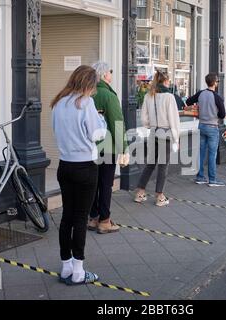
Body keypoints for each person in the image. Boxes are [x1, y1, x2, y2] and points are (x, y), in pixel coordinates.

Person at [51, 65, 107, 285]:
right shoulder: (86, 103)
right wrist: (101, 121)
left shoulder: (58, 103)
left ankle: (66, 267)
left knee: (67, 217)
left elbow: (56, 131)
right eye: (94, 86)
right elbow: (97, 134)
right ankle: (79, 271)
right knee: (81, 219)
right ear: (89, 84)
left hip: (64, 165)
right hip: (85, 167)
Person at [87, 62, 129, 234]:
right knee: (105, 185)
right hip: (107, 147)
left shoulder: (87, 94)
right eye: (110, 72)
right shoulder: (108, 96)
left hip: (90, 147)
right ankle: (105, 220)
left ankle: (93, 218)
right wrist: (123, 149)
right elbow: (117, 124)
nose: (111, 74)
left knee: (93, 184)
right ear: (104, 75)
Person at [134, 71, 180, 207]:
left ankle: (140, 193)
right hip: (165, 134)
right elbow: (174, 119)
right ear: (165, 81)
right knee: (162, 166)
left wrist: (150, 125)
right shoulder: (169, 97)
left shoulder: (149, 95)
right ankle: (160, 196)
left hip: (153, 132)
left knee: (150, 164)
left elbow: (143, 118)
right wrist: (176, 138)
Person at [186, 73, 226, 186]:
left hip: (201, 126)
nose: (218, 83)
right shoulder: (217, 97)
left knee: (201, 153)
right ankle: (212, 179)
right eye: (217, 81)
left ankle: (200, 177)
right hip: (212, 127)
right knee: (212, 155)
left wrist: (199, 107)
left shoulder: (201, 93)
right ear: (214, 83)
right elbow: (223, 115)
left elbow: (188, 101)